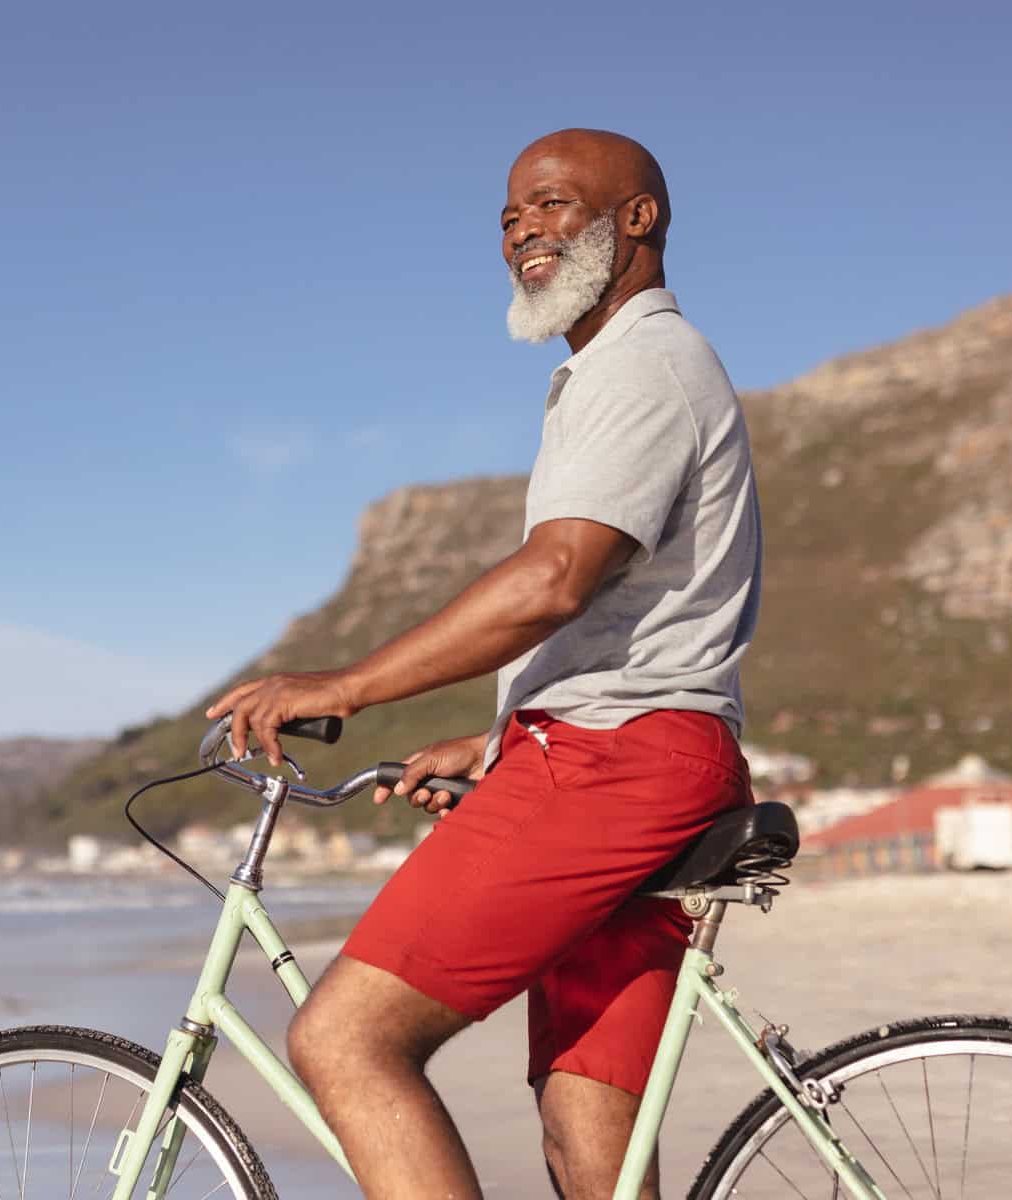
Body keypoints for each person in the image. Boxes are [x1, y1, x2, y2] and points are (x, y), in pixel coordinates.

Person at [204, 127, 762, 1200]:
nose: (522, 232)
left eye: (552, 205)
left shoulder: (641, 364)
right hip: (639, 757)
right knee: (589, 1146)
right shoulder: (623, 370)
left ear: (636, 218)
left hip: (614, 770)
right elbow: (628, 618)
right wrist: (502, 735)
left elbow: (557, 576)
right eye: (509, 217)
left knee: (346, 1042)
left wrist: (343, 686)